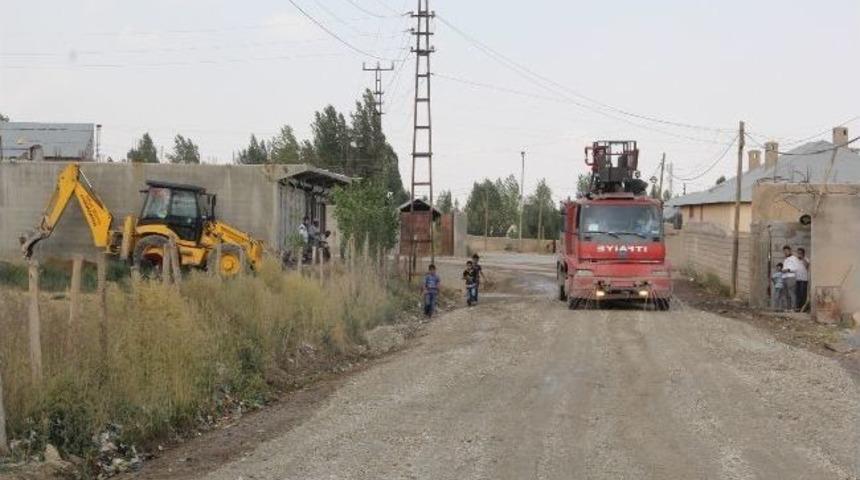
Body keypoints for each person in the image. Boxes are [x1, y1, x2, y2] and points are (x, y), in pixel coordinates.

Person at [780, 246, 797, 311]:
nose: (785, 252)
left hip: (791, 277)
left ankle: (793, 308)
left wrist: (788, 270)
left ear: (790, 251)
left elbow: (796, 268)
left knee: (791, 293)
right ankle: (787, 308)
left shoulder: (794, 258)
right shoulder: (785, 259)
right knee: (786, 294)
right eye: (784, 251)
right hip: (784, 277)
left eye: (786, 251)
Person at [794, 247, 810, 312]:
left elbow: (807, 266)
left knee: (803, 294)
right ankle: (798, 308)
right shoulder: (796, 260)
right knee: (798, 294)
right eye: (798, 253)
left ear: (803, 253)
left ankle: (803, 309)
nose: (799, 254)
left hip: (804, 280)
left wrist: (802, 258)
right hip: (797, 279)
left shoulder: (806, 259)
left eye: (800, 253)